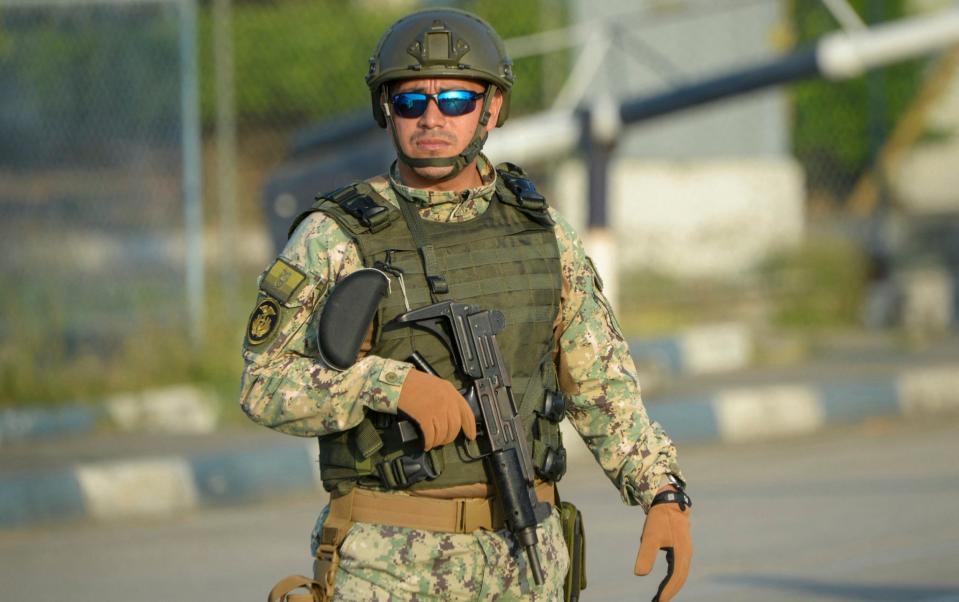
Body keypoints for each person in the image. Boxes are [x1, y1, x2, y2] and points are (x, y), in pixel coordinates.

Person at [242, 8, 692, 602]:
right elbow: (263, 384)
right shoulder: (337, 237)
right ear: (386, 111)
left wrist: (661, 492)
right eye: (411, 102)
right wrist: (386, 385)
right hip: (389, 568)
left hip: (528, 561)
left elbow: (601, 386)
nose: (432, 119)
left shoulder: (543, 233)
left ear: (491, 109)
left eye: (455, 99)